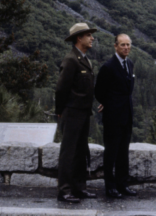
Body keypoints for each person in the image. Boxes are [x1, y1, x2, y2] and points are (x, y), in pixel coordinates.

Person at [55, 23, 98, 203]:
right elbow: (61, 89)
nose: (92, 38)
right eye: (88, 35)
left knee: (81, 151)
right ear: (79, 38)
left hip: (83, 112)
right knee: (68, 152)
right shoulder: (71, 59)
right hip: (72, 112)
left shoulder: (84, 59)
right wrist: (60, 112)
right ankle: (64, 191)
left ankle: (79, 187)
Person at [95, 34, 137, 199]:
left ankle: (122, 184)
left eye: (128, 45)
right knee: (111, 153)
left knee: (123, 152)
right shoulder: (108, 67)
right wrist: (108, 103)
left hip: (127, 115)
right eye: (122, 45)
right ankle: (110, 187)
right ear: (115, 46)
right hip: (113, 117)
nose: (126, 48)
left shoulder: (130, 64)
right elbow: (99, 91)